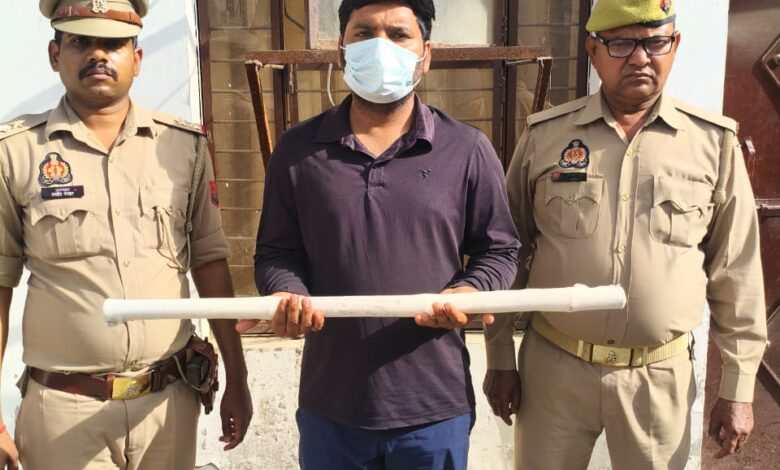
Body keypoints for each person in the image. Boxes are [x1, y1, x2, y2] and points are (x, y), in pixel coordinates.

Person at [483, 0, 767, 468]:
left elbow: (736, 272)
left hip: (658, 378)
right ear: (592, 51)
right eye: (621, 44)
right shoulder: (545, 137)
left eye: (655, 43)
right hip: (554, 371)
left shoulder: (713, 144)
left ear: (675, 46)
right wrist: (499, 356)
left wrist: (737, 387)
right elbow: (507, 251)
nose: (640, 58)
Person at [237, 0, 519, 468]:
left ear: (426, 55)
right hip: (332, 406)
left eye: (398, 34)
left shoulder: (466, 148)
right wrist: (287, 294)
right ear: (342, 50)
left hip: (434, 407)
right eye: (364, 33)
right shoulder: (298, 150)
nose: (380, 47)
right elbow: (276, 253)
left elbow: (501, 249)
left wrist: (471, 290)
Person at [0, 1, 253, 468]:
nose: (98, 55)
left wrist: (238, 376)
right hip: (65, 412)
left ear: (136, 59)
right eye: (81, 42)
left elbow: (210, 265)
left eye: (114, 44)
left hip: (168, 405)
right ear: (55, 55)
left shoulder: (184, 147)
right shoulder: (15, 153)